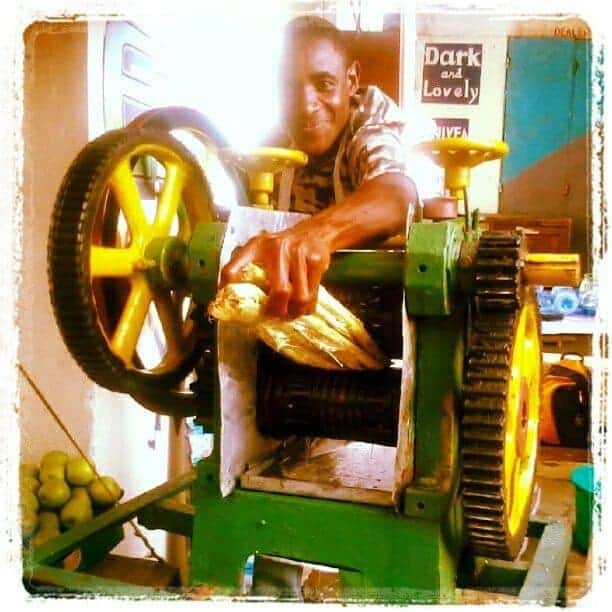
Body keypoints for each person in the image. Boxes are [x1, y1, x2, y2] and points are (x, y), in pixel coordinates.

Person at [221, 16, 419, 318]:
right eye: (290, 88)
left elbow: (395, 195)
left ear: (351, 80)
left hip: (377, 315)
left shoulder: (370, 128)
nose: (306, 105)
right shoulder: (275, 145)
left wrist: (315, 235)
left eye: (324, 84)